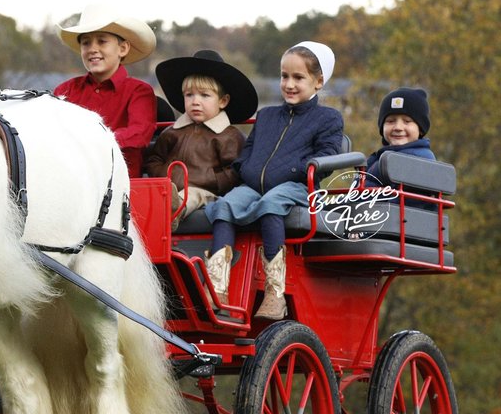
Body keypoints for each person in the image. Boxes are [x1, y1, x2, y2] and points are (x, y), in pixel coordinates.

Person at [203, 41, 344, 319]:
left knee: (271, 204)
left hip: (298, 186)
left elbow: (327, 155)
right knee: (224, 206)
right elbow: (248, 151)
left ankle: (274, 293)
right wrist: (245, 169)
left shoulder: (328, 118)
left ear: (318, 82)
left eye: (298, 77)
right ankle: (217, 287)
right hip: (254, 185)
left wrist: (294, 170)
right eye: (284, 76)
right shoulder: (267, 116)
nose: (289, 84)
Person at [145, 49, 258, 222]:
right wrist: (165, 175)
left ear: (223, 101)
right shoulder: (172, 132)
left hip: (208, 192)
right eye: (189, 95)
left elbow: (235, 170)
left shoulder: (229, 136)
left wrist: (212, 180)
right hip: (168, 189)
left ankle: (176, 210)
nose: (195, 101)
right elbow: (155, 159)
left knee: (194, 194)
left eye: (205, 95)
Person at [55, 4, 158, 176]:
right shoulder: (65, 90)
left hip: (120, 182)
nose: (92, 49)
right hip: (72, 178)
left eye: (102, 41)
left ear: (122, 49)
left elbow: (139, 133)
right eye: (86, 43)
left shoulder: (140, 91)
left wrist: (91, 142)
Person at [365, 87, 436, 182]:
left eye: (407, 121)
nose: (398, 127)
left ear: (421, 130)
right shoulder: (379, 158)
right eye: (390, 121)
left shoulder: (420, 160)